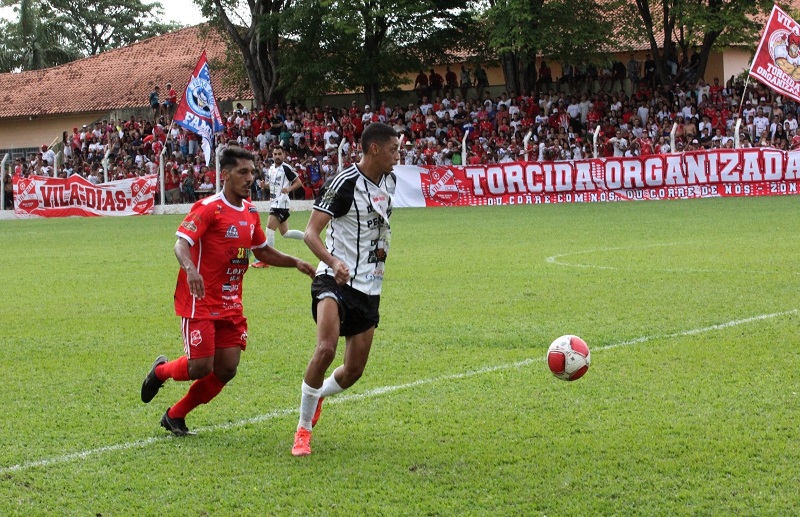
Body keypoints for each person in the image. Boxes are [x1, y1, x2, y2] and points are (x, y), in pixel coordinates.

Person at [140, 146, 315, 436]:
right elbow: (180, 244)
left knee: (227, 369)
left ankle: (175, 415)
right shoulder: (208, 208)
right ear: (226, 175)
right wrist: (191, 270)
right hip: (200, 301)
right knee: (200, 367)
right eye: (242, 172)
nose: (250, 178)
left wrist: (294, 261)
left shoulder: (249, 212)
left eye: (252, 172)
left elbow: (261, 251)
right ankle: (160, 371)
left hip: (231, 303)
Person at [291, 122, 400, 456]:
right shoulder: (343, 183)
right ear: (374, 149)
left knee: (353, 372)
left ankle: (318, 394)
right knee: (325, 350)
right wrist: (334, 261)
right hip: (333, 279)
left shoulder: (390, 179)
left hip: (369, 287)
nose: (398, 156)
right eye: (394, 149)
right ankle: (303, 431)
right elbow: (310, 233)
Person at [251, 146, 305, 268]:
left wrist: (289, 189)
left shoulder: (286, 168)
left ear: (283, 155)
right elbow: (274, 186)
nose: (277, 156)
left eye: (279, 154)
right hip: (274, 202)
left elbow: (299, 183)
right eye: (275, 154)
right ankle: (309, 237)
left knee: (269, 230)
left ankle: (266, 261)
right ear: (272, 155)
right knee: (285, 233)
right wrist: (265, 186)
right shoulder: (271, 169)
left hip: (281, 203)